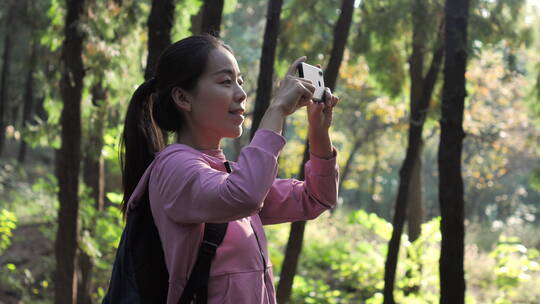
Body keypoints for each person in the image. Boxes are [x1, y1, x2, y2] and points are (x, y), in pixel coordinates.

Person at [120, 34, 340, 304]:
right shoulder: (173, 167)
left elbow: (316, 197)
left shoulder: (228, 174)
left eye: (240, 81)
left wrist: (319, 133)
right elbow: (245, 195)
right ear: (183, 98)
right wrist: (277, 110)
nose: (241, 93)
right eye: (226, 82)